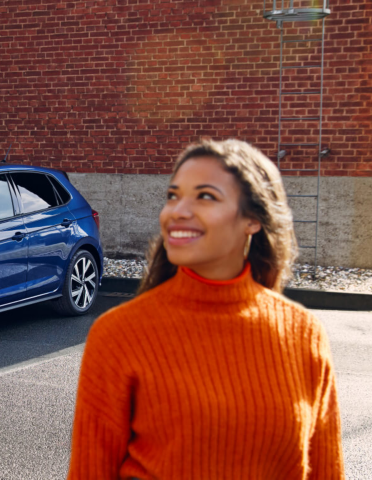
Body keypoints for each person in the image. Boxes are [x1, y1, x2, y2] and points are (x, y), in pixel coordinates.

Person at [68, 139, 344, 479]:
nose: (177, 211)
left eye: (205, 196)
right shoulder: (119, 334)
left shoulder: (304, 333)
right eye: (173, 195)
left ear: (253, 220)